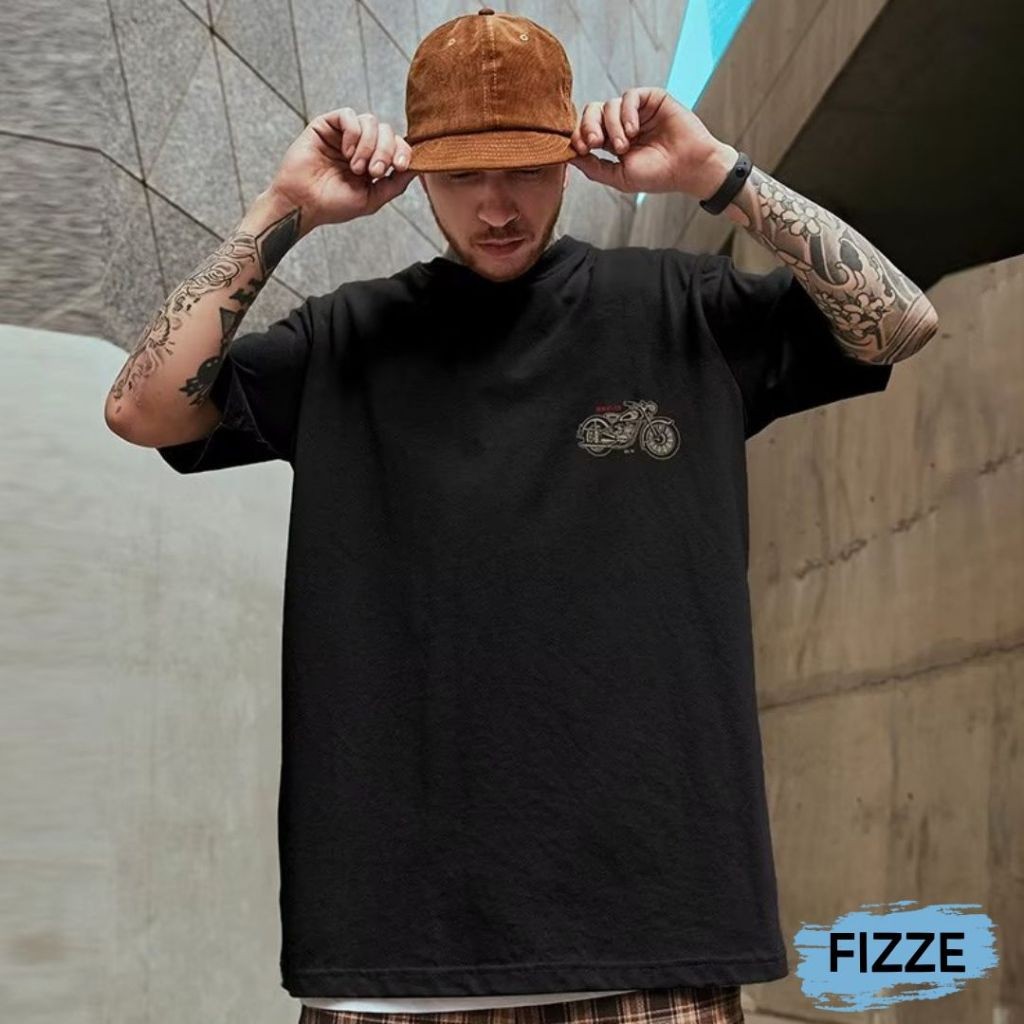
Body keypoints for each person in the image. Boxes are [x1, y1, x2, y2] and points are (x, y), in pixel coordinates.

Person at [104, 8, 937, 1024]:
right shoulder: (348, 338)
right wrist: (283, 208)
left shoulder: (684, 308)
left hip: (651, 944)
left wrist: (716, 174)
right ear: (416, 170)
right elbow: (144, 410)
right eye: (463, 176)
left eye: (525, 171)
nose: (495, 207)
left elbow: (898, 323)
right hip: (395, 958)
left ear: (570, 155)